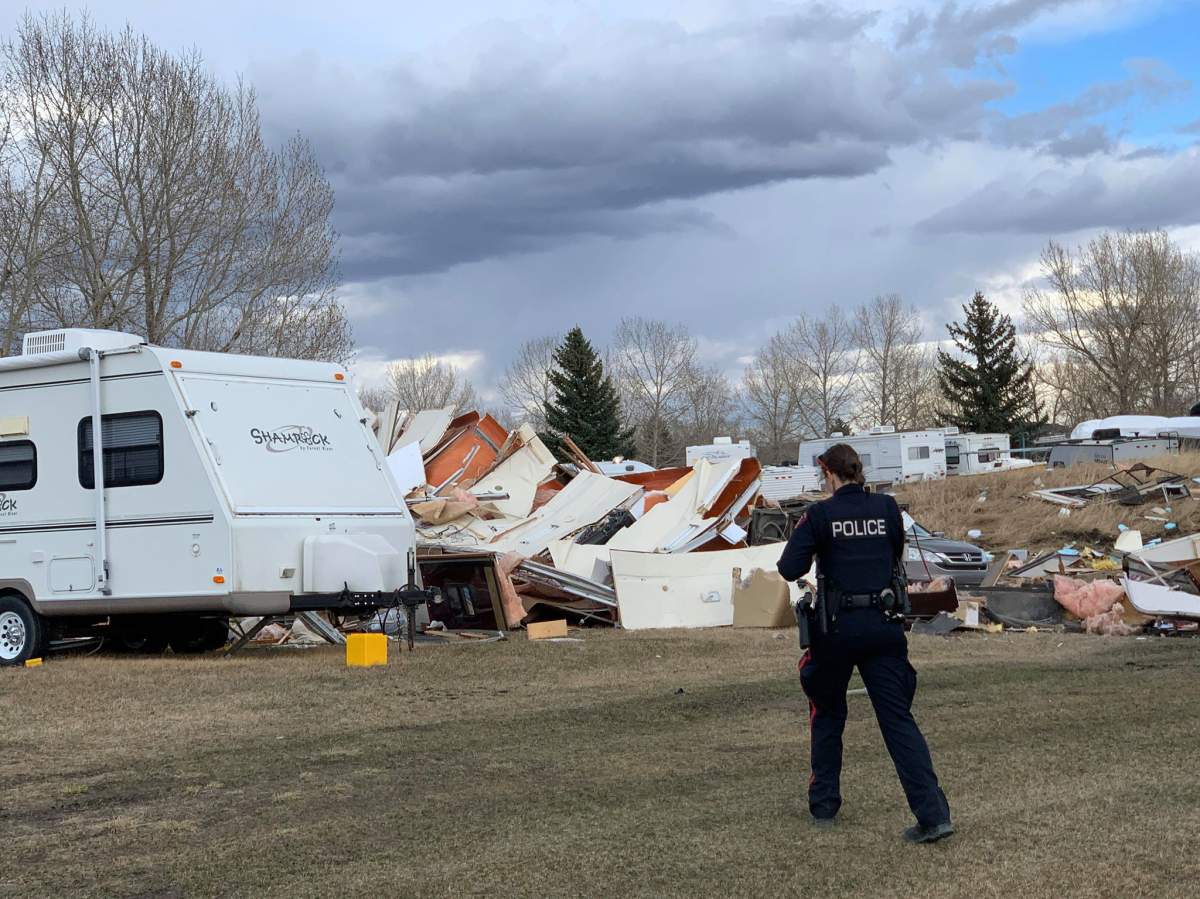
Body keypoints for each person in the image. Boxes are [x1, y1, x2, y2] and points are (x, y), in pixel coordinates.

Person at [777, 443, 953, 844]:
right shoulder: (888, 509)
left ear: (829, 475)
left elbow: (790, 567)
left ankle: (824, 805)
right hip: (884, 626)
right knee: (898, 721)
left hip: (836, 630)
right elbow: (894, 554)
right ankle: (934, 815)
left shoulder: (820, 514)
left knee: (827, 712)